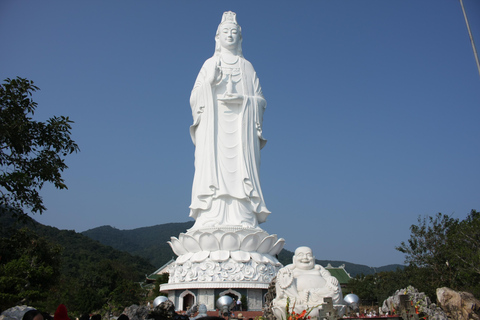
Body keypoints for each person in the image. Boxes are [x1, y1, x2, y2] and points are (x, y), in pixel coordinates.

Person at [189, 11, 270, 230]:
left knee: (241, 170)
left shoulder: (247, 67)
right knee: (212, 168)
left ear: (240, 38)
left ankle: (244, 215)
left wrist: (244, 100)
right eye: (226, 31)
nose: (230, 35)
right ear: (217, 37)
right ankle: (210, 215)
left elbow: (260, 100)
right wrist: (210, 84)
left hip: (241, 127)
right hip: (214, 127)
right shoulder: (209, 64)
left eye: (234, 32)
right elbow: (194, 98)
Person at [272, 247, 346, 318]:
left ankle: (312, 299)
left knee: (334, 284)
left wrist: (331, 279)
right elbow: (281, 279)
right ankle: (294, 299)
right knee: (283, 276)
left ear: (313, 258)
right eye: (300, 255)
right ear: (294, 259)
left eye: (308, 255)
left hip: (319, 295)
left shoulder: (318, 268)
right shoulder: (290, 268)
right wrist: (284, 273)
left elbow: (328, 277)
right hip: (296, 297)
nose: (305, 258)